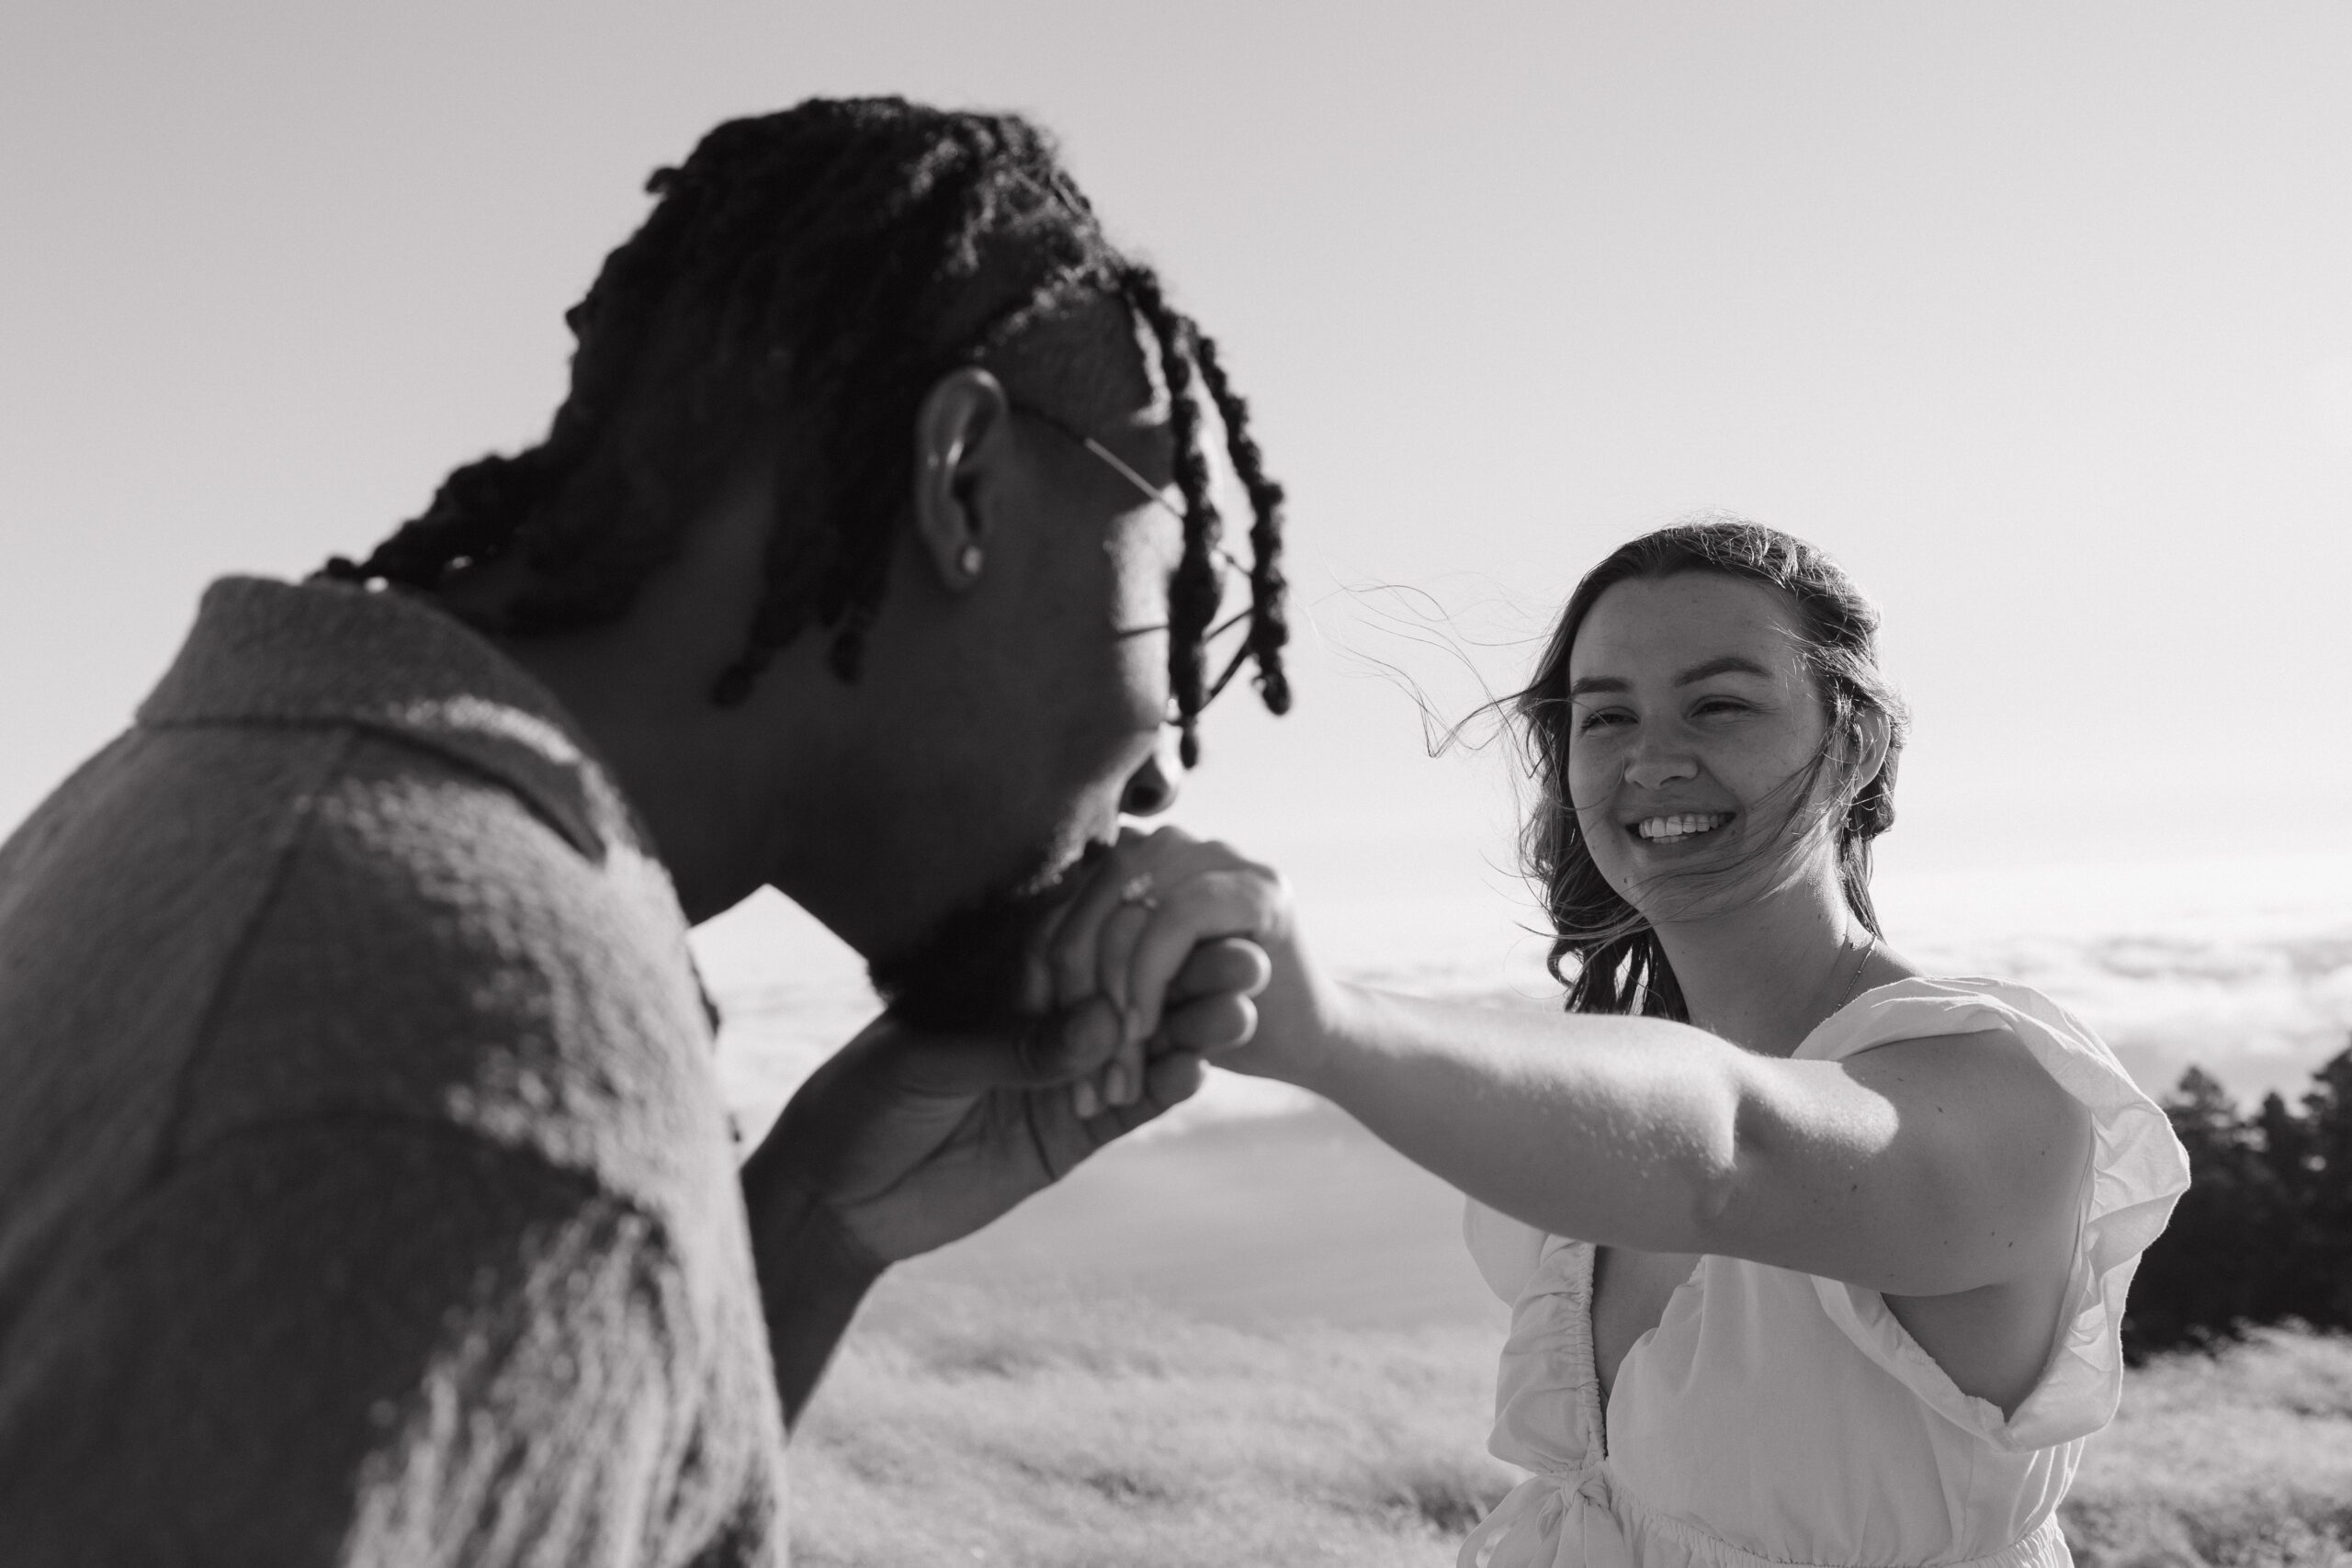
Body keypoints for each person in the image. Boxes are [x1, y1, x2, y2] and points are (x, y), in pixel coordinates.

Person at [0, 98, 1290, 1562]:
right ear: (963, 481)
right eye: (1180, 591)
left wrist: (805, 1225)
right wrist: (595, 1165)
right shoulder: (468, 1063)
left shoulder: (232, 809)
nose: (1166, 765)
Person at [1040, 518, 2190, 1567]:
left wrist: (1320, 1027)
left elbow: (1730, 1154)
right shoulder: (1598, 1111)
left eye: (1719, 705)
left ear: (1851, 747)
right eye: (1606, 716)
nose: (1651, 758)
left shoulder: (1990, 1088)